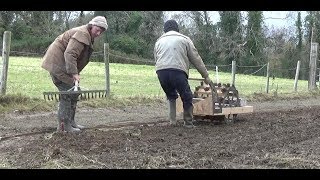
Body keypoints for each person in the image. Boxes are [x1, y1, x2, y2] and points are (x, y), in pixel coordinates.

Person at [41, 16, 108, 132]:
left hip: (62, 65)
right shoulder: (82, 34)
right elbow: (70, 54)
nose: (98, 33)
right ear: (92, 25)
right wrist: (74, 73)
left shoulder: (87, 34)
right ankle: (64, 126)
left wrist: (74, 72)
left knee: (74, 92)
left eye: (101, 31)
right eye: (98, 29)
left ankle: (70, 122)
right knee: (68, 92)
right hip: (58, 65)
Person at [154, 19, 212, 128]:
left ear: (165, 30)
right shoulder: (184, 39)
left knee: (171, 95)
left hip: (161, 71)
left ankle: (172, 121)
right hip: (178, 70)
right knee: (187, 96)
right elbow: (196, 59)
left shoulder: (159, 41)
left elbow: (156, 59)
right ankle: (188, 122)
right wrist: (205, 75)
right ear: (177, 29)